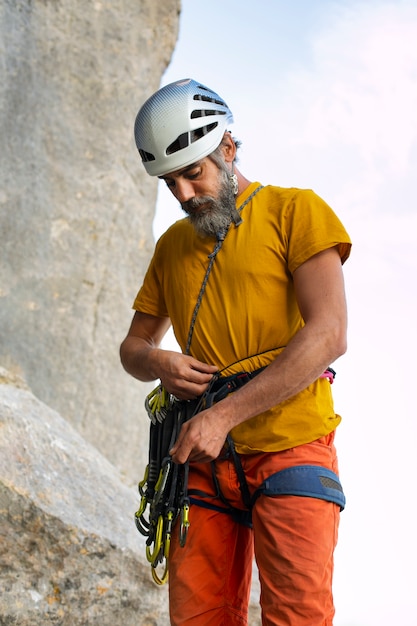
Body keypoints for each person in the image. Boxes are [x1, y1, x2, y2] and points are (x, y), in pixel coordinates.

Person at [120, 78, 351, 626]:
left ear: (227, 148)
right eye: (169, 182)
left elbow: (328, 334)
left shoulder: (295, 211)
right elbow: (133, 348)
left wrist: (223, 415)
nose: (182, 194)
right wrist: (159, 361)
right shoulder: (172, 247)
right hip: (202, 460)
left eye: (192, 172)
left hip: (290, 442)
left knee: (298, 617)